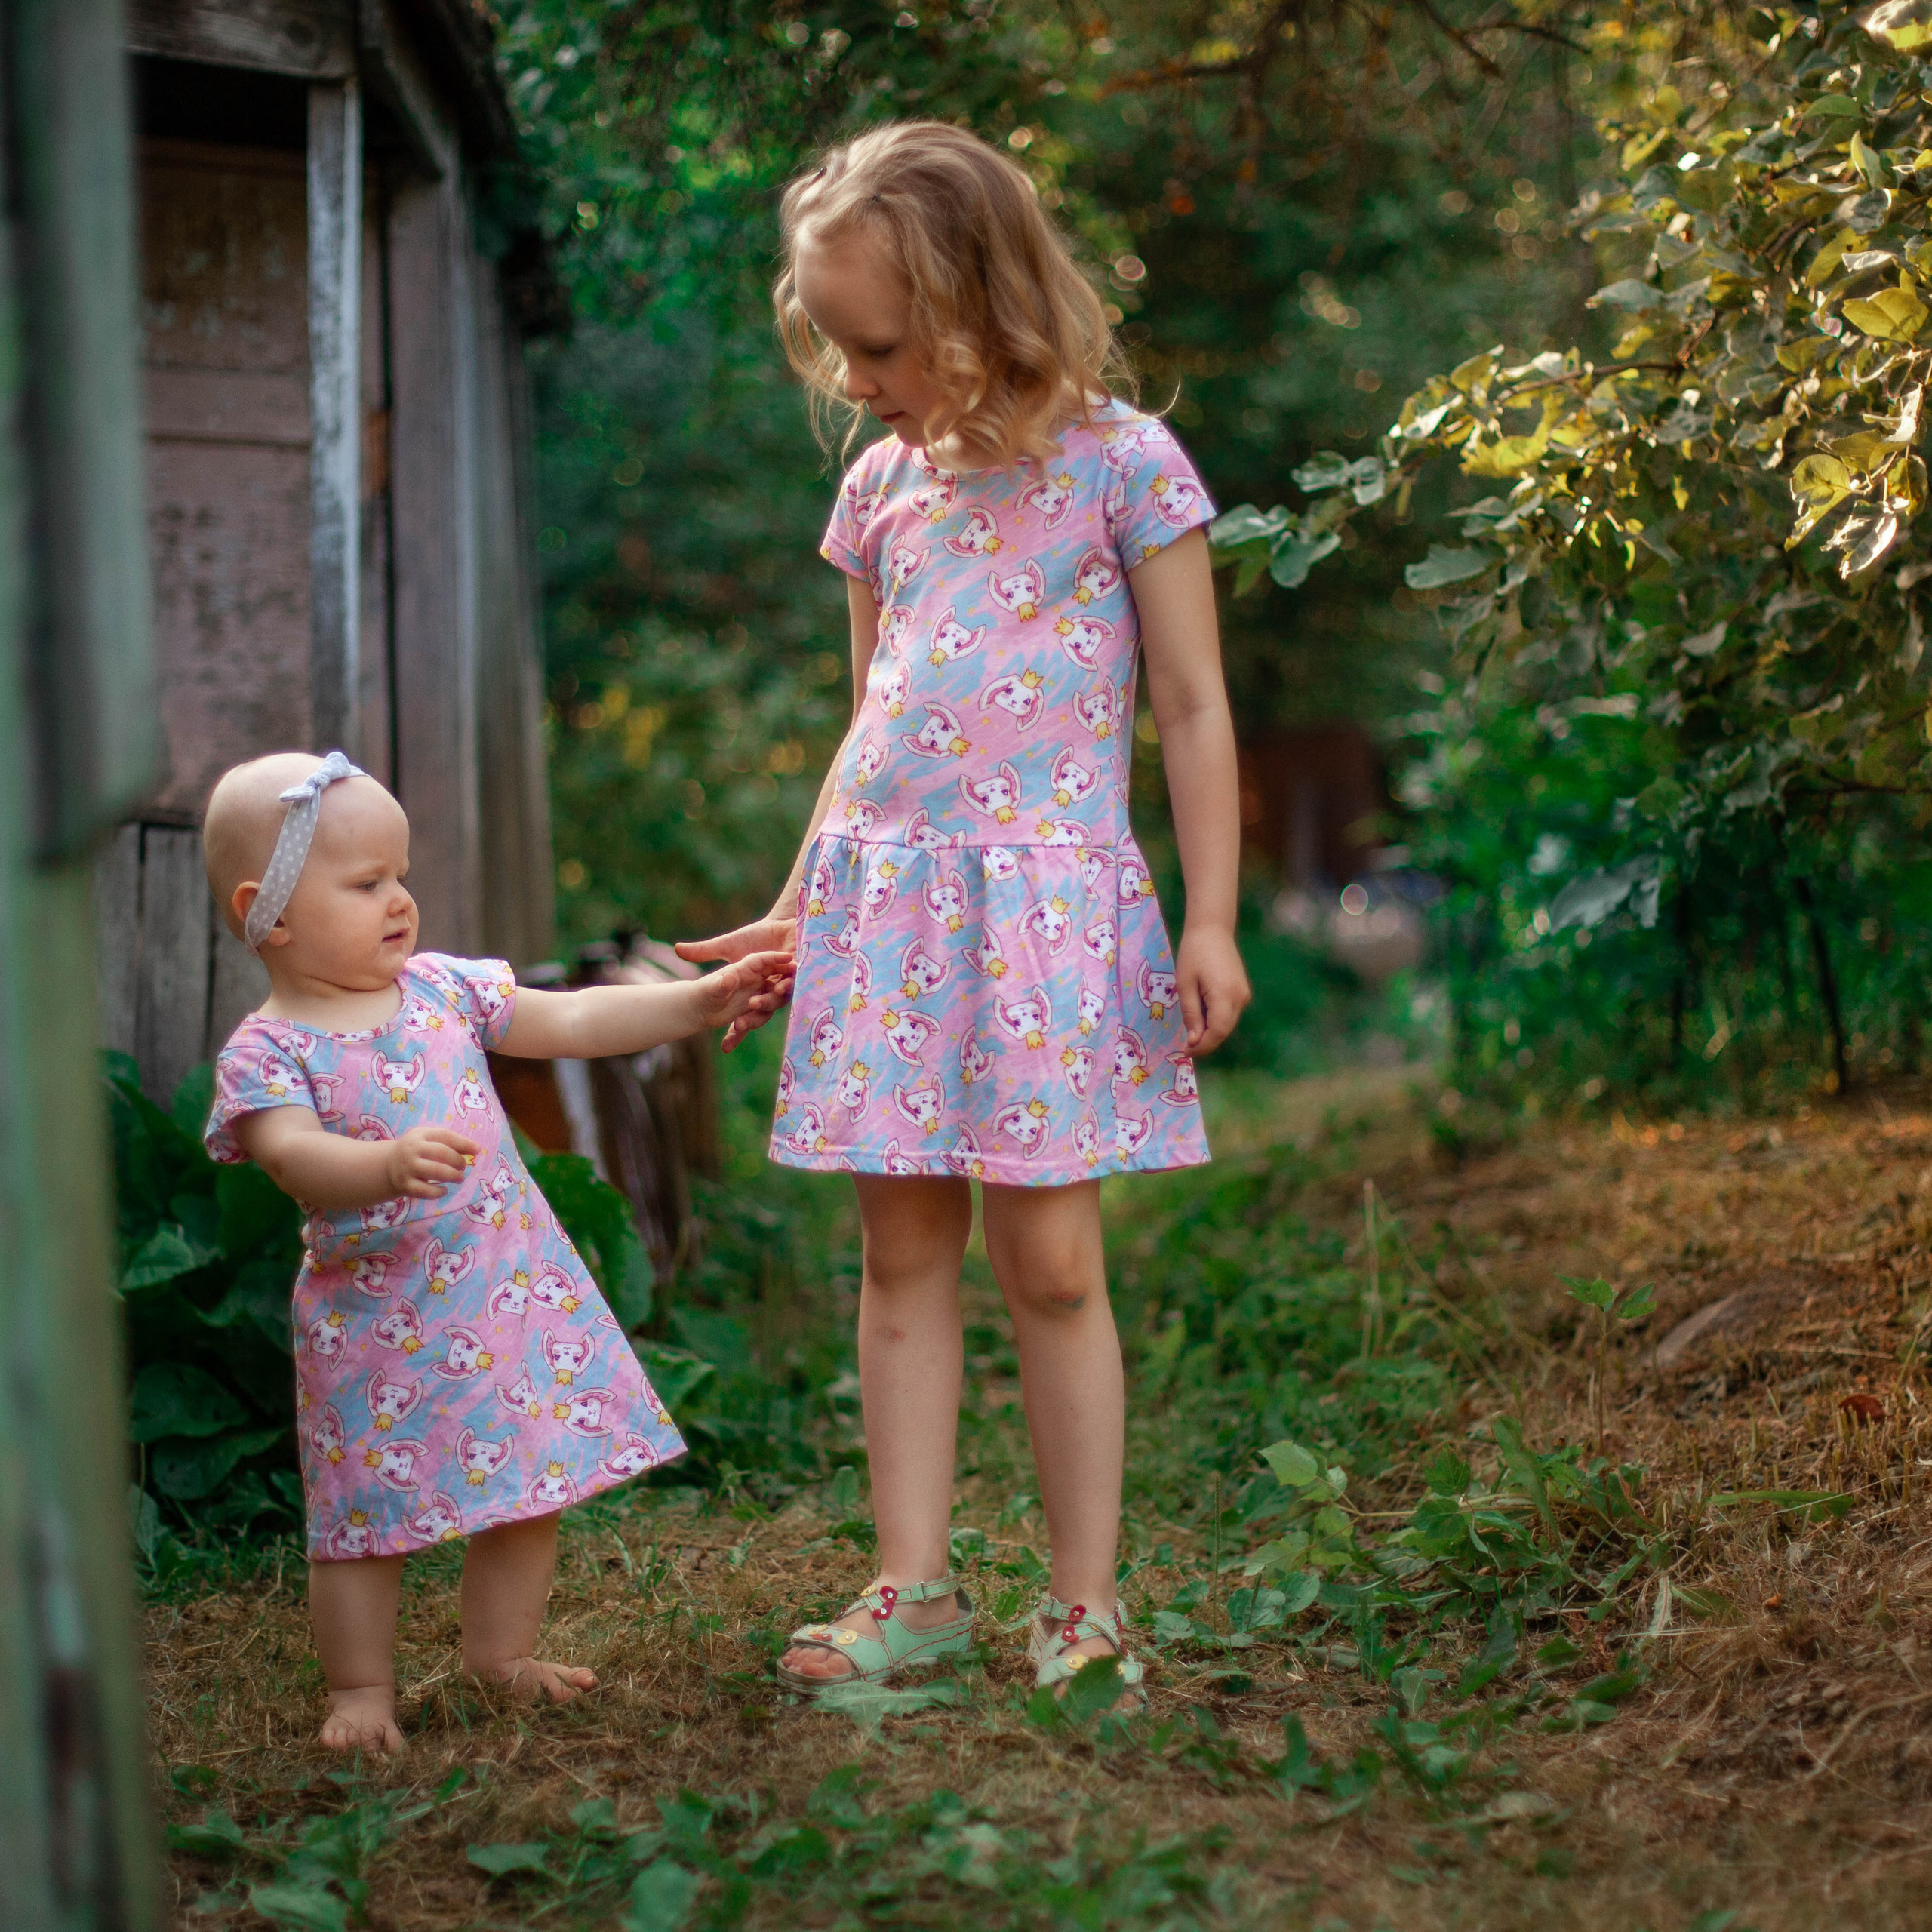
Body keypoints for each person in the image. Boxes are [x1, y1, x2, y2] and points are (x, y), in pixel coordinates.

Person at [677, 122, 1251, 1703]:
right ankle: (913, 1588)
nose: (850, 376)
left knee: (1054, 1262)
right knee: (901, 1250)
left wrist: (1210, 916)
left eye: (871, 341)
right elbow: (869, 724)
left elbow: (1193, 709)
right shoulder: (879, 491)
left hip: (1047, 911)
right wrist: (801, 906)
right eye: (828, 341)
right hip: (893, 914)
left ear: (978, 299)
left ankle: (1080, 1605)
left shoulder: (1126, 467)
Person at [199, 751, 790, 1753]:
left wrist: (694, 1003)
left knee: (525, 1485)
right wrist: (380, 1165)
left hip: (501, 1296)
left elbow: (571, 1018)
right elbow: (292, 1154)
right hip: (375, 1326)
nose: (400, 901)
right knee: (363, 1521)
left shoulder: (441, 990)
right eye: (365, 883)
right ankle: (359, 1690)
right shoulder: (271, 1052)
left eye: (401, 875)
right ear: (272, 912)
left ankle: (500, 1656)